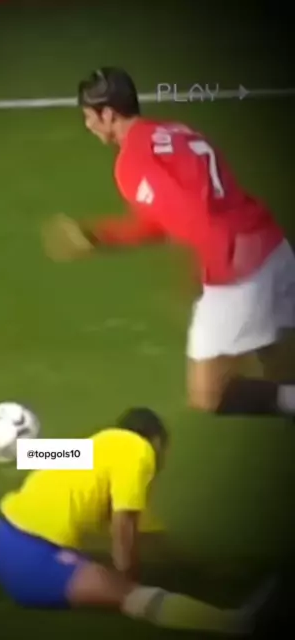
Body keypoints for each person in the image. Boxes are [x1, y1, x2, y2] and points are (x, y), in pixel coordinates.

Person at [41, 68, 295, 417]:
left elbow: (192, 218)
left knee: (209, 394)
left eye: (89, 116)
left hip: (235, 266)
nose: (88, 125)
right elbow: (165, 219)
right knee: (281, 360)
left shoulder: (133, 164)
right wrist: (100, 235)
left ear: (108, 114)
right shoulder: (177, 131)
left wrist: (195, 279)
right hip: (270, 244)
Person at [0, 407, 272, 635]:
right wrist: (128, 581)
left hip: (3, 535)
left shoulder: (96, 447)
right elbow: (123, 527)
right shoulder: (138, 450)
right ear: (156, 440)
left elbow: (153, 538)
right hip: (32, 557)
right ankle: (235, 623)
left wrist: (206, 570)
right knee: (130, 595)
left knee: (112, 568)